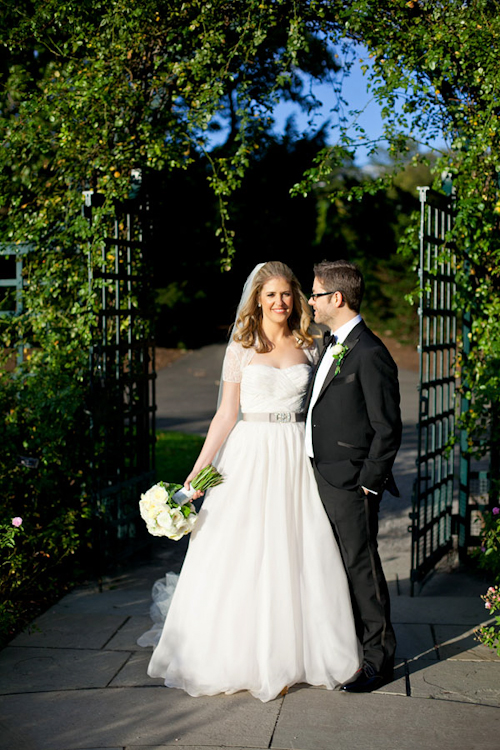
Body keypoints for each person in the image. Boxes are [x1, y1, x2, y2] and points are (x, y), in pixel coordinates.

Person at [138, 261, 360, 702]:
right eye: (271, 294)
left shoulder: (311, 344)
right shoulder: (241, 346)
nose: (280, 302)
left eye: (287, 294)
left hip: (296, 455)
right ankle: (236, 653)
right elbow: (225, 414)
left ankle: (301, 651)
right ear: (257, 298)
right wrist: (199, 472)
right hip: (248, 453)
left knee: (298, 547)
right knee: (241, 547)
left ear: (296, 298)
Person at [305, 259, 402, 693]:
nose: (310, 301)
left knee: (361, 568)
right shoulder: (332, 343)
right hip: (318, 476)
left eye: (315, 293)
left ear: (336, 299)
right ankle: (347, 649)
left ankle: (379, 661)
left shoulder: (370, 352)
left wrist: (368, 482)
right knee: (333, 566)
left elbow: (387, 426)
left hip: (351, 482)